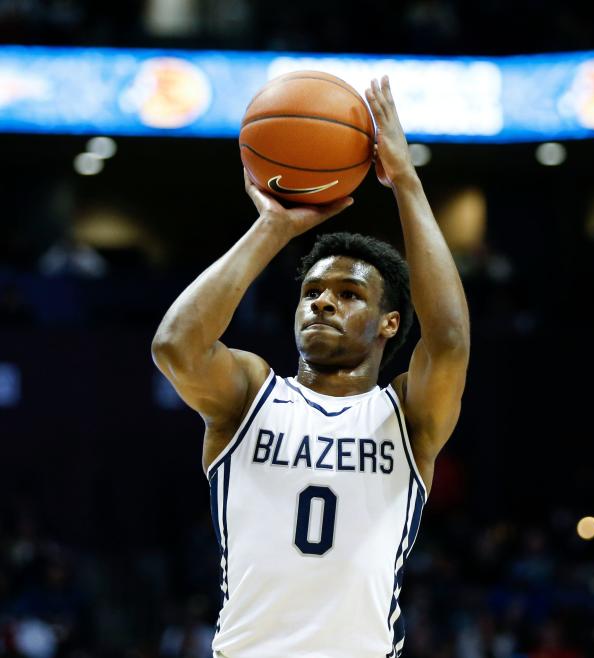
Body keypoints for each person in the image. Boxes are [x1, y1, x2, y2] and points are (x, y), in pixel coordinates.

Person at [151, 76, 470, 658]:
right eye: (312, 291)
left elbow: (448, 339)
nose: (322, 301)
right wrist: (272, 227)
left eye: (349, 294)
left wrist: (406, 183)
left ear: (390, 323)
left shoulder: (406, 414)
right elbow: (176, 346)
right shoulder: (251, 395)